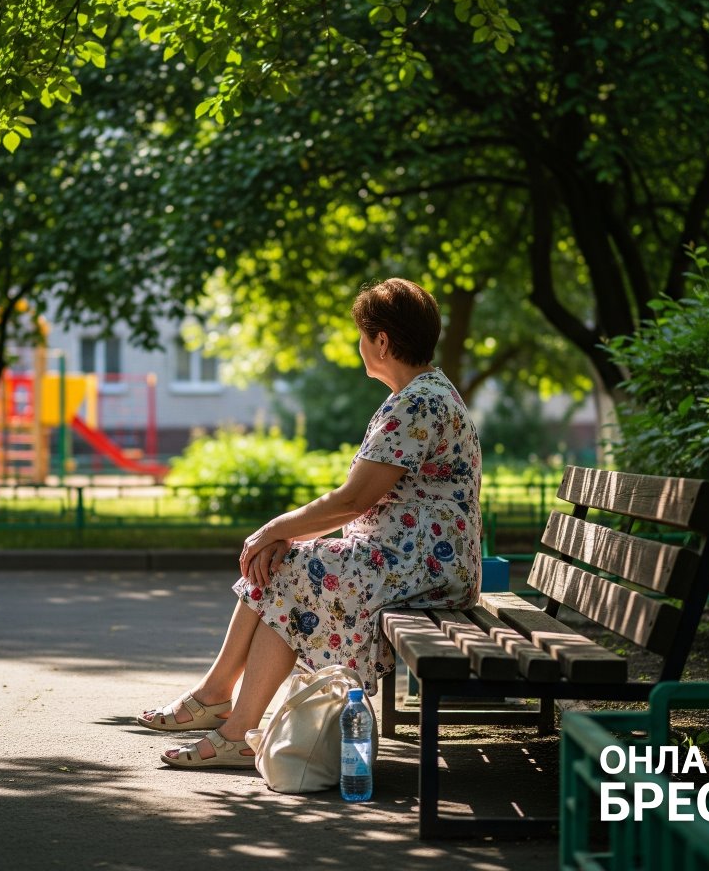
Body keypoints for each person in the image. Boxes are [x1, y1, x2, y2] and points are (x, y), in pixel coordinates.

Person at [138, 277, 482, 769]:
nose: (359, 345)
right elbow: (361, 504)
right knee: (287, 565)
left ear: (382, 340)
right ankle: (220, 701)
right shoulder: (424, 394)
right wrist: (283, 537)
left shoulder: (417, 403)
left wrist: (274, 530)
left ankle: (230, 717)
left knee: (290, 567)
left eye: (363, 334)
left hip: (425, 570)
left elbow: (354, 500)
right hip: (417, 561)